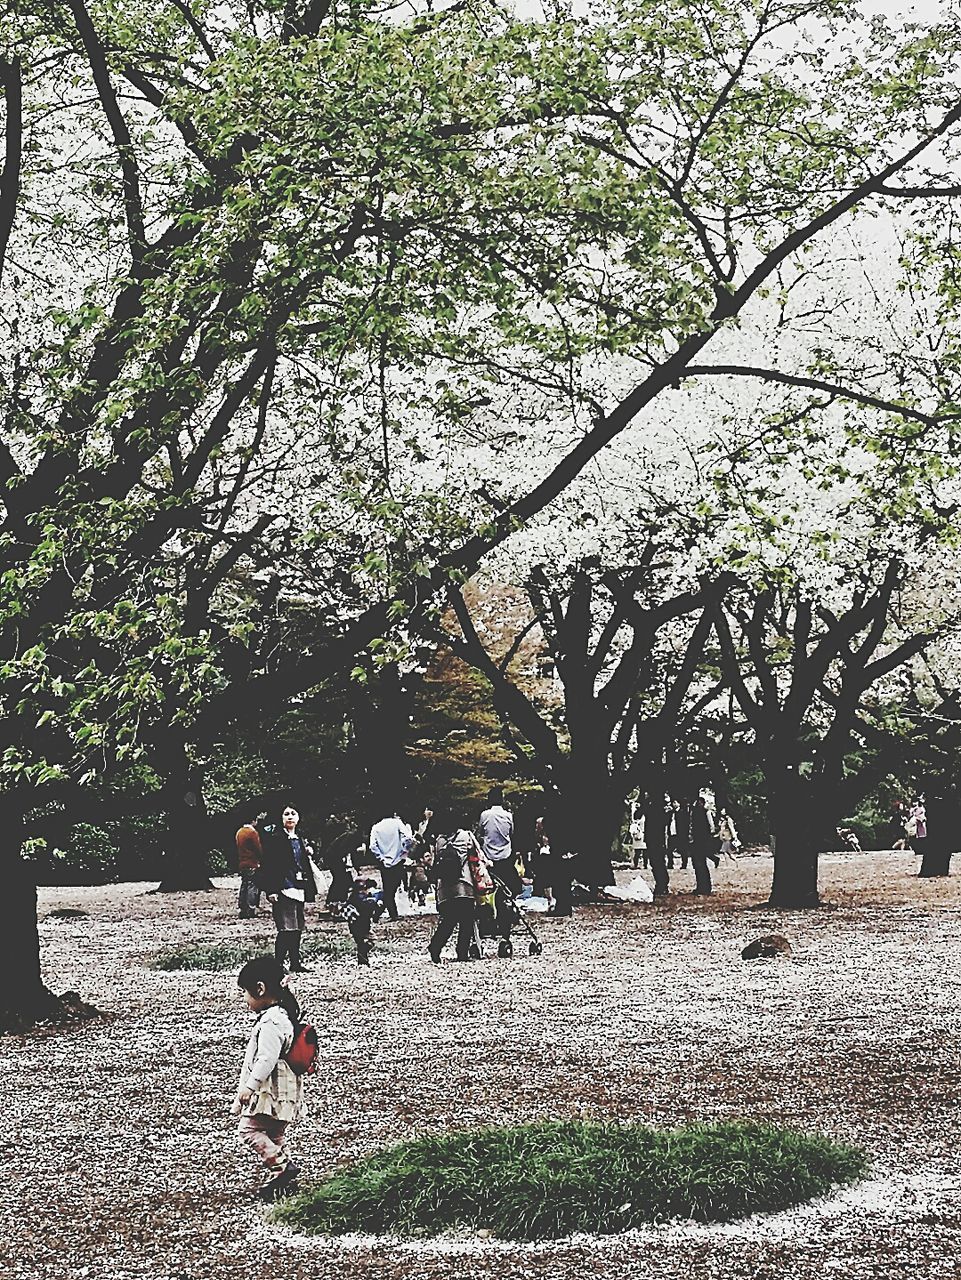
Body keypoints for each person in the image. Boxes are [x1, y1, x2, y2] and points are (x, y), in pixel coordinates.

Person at [231, 955, 304, 1202]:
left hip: (269, 1089)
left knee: (248, 1130)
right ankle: (283, 1180)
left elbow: (266, 1059)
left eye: (246, 992)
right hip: (286, 1088)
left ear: (260, 989)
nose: (245, 999)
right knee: (275, 1133)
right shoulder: (284, 1016)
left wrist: (249, 1087)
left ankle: (282, 1167)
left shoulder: (271, 1021)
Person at [257, 806, 319, 973]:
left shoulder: (300, 838)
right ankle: (278, 964)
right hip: (283, 887)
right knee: (286, 928)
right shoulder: (275, 839)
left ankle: (295, 962)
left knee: (297, 926)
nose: (290, 817)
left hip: (299, 886)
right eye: (286, 814)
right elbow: (268, 866)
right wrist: (271, 890)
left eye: (293, 814)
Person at [429, 817, 481, 962]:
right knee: (466, 920)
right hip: (464, 885)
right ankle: (462, 952)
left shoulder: (440, 841)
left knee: (449, 921)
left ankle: (436, 946)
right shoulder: (466, 836)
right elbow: (478, 855)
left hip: (445, 888)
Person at [369, 804, 414, 921]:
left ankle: (385, 912)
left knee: (388, 888)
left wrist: (381, 857)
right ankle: (384, 913)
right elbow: (408, 838)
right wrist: (405, 851)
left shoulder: (376, 827)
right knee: (392, 889)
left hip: (384, 862)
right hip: (398, 859)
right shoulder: (397, 823)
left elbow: (372, 846)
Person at [343, 878, 386, 964]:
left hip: (354, 925)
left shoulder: (352, 898)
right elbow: (368, 908)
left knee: (360, 942)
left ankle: (363, 960)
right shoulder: (362, 899)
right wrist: (376, 903)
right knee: (371, 940)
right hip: (362, 925)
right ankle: (362, 957)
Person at [236, 811, 265, 919]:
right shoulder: (252, 833)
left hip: (242, 862)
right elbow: (258, 848)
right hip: (252, 862)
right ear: (253, 821)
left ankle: (242, 908)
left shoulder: (239, 832)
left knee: (244, 885)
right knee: (253, 885)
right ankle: (251, 908)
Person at [689, 795, 716, 895]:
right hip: (698, 841)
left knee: (700, 864)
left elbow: (711, 827)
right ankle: (702, 886)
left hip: (701, 841)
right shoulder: (696, 812)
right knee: (698, 864)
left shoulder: (705, 812)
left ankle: (705, 887)